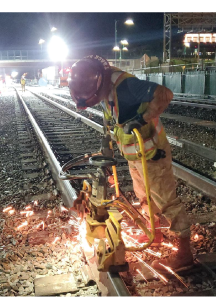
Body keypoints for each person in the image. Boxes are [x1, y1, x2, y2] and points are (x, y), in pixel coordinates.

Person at [68, 55, 192, 270]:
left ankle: (184, 253)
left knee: (166, 200)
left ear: (98, 83)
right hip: (136, 153)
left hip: (153, 152)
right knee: (144, 196)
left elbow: (165, 94)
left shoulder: (125, 84)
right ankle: (156, 235)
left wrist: (142, 119)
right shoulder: (105, 89)